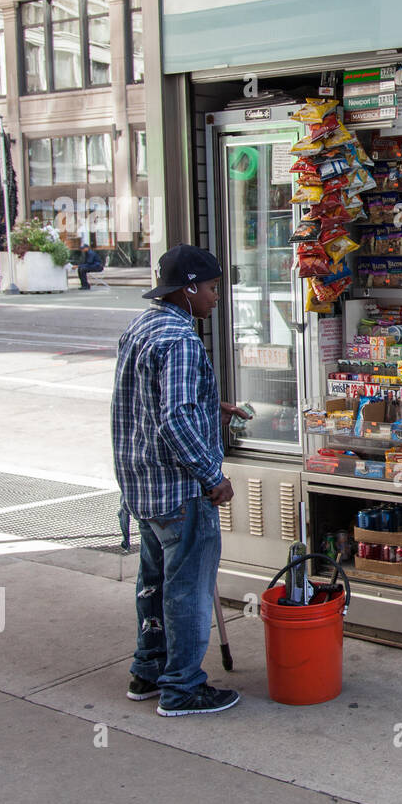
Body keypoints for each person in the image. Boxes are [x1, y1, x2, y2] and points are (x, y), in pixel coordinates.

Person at [111, 245, 249, 717]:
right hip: (180, 491)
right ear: (188, 289)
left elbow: (149, 405)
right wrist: (213, 476)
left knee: (154, 583)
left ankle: (147, 671)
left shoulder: (142, 327)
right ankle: (183, 688)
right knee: (188, 589)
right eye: (211, 289)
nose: (216, 298)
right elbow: (173, 420)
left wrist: (213, 407)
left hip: (142, 488)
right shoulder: (182, 341)